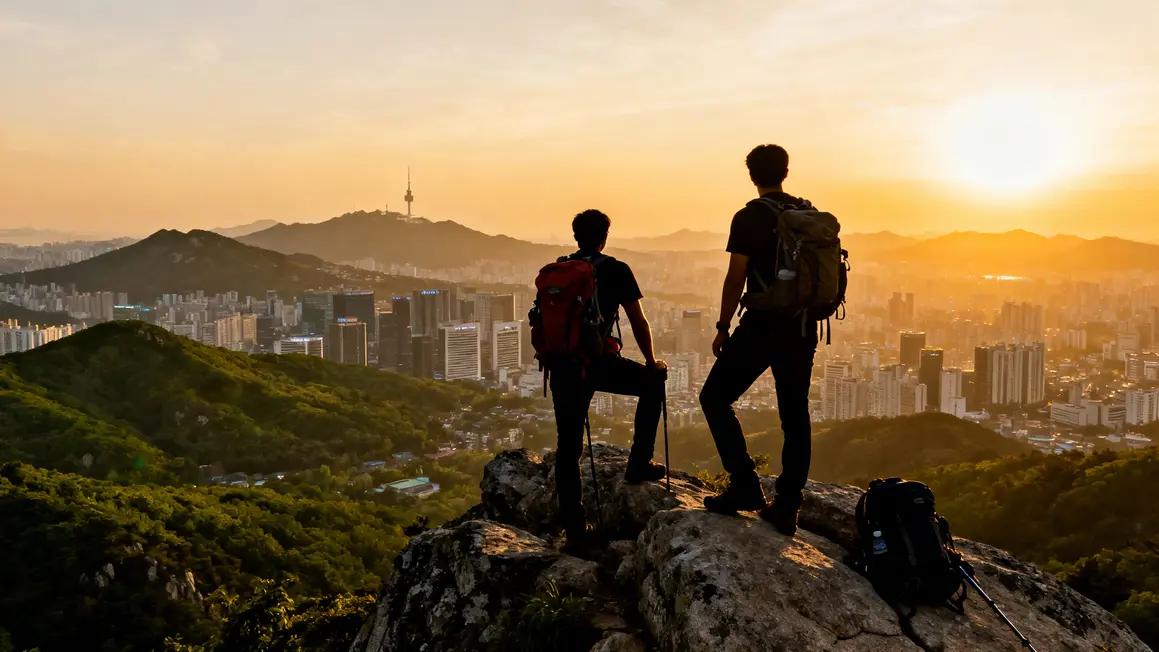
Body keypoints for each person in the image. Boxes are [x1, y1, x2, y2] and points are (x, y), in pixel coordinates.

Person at [699, 144, 819, 536]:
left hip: (763, 324)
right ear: (786, 171)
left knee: (714, 397)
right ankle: (787, 506)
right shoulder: (806, 213)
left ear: (752, 175)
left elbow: (737, 277)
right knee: (794, 416)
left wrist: (721, 326)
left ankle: (745, 486)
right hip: (802, 327)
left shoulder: (749, 217)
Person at [550, 209, 668, 546]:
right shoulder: (616, 269)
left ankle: (575, 530)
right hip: (599, 364)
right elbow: (638, 321)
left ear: (576, 237)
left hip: (563, 368)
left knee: (567, 449)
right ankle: (639, 462)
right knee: (651, 384)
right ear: (604, 237)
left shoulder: (560, 269)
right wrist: (651, 362)